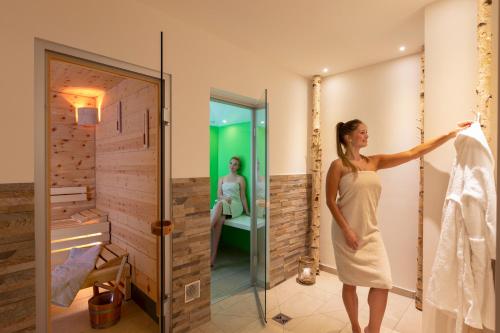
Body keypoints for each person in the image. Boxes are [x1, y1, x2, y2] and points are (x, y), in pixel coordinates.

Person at [325, 119, 471, 333]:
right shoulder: (338, 166)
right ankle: (356, 327)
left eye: (367, 132)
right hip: (345, 232)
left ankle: (372, 329)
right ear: (348, 137)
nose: (367, 136)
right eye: (363, 132)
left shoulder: (374, 162)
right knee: (350, 282)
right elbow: (330, 201)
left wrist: (450, 134)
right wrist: (347, 230)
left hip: (370, 232)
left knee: (383, 281)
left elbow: (413, 152)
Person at [211, 156, 250, 266]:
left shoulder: (240, 179)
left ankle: (206, 229)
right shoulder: (222, 179)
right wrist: (224, 198)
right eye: (231, 163)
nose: (232, 166)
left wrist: (247, 211)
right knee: (218, 222)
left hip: (236, 205)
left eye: (235, 164)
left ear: (238, 167)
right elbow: (218, 195)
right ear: (228, 164)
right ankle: (212, 258)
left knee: (218, 204)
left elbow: (243, 196)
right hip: (224, 204)